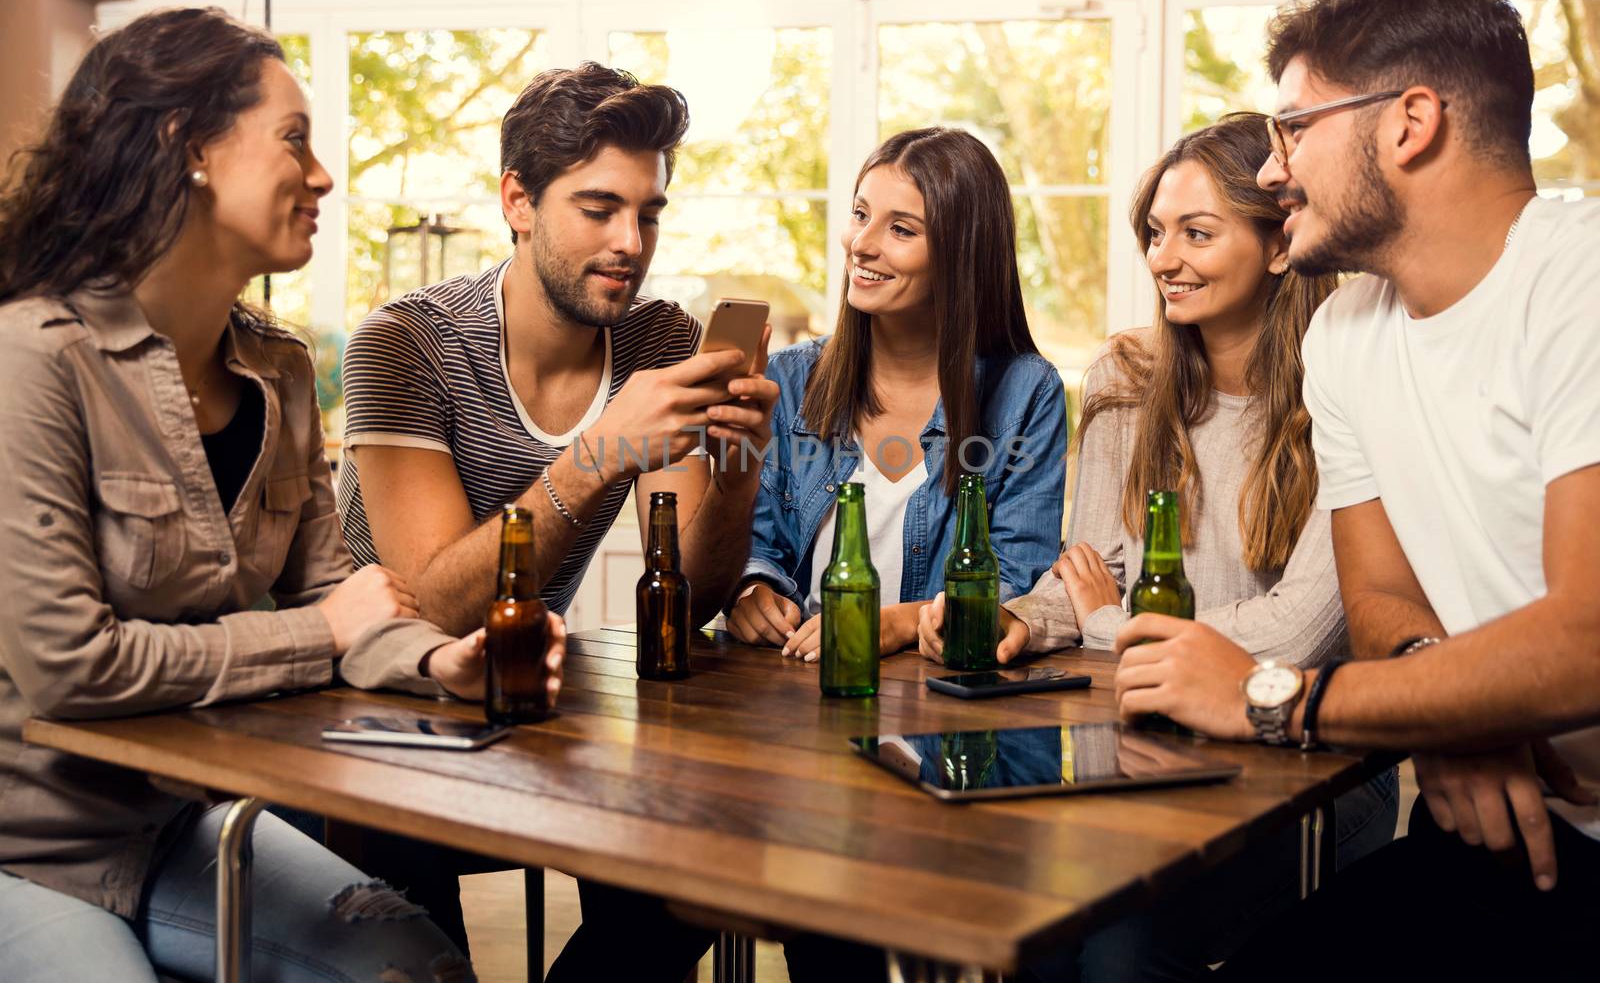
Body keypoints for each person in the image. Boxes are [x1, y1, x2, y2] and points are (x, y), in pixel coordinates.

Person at [0, 6, 564, 983]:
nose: (323, 175)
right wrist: (327, 633)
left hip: (187, 820)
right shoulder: (30, 359)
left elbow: (332, 595)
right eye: (294, 138)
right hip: (28, 852)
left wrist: (445, 660)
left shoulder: (282, 369)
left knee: (422, 969)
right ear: (190, 149)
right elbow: (70, 668)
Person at [1106, 0, 1600, 983]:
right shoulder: (1344, 333)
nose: (1274, 166)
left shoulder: (1578, 283)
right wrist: (1449, 711)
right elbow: (1379, 593)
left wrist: (1266, 694)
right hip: (1499, 815)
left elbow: (1586, 638)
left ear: (1410, 122)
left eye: (1293, 127)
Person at [919, 113, 1396, 981]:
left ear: (1280, 246)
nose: (1163, 257)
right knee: (1032, 924)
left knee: (1117, 952)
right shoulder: (1126, 379)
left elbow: (1300, 636)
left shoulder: (1347, 391)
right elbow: (1088, 570)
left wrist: (1111, 623)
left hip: (1311, 770)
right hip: (1152, 743)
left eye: (1197, 232)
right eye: (1155, 232)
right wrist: (1018, 617)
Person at [335, 61, 780, 980]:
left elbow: (690, 596)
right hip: (375, 708)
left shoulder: (657, 340)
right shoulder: (404, 343)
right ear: (518, 201)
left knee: (690, 861)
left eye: (649, 213)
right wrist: (598, 453)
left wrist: (737, 471)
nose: (631, 241)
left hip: (533, 703)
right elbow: (431, 606)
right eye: (599, 207)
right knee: (417, 942)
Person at [729, 127, 1066, 661]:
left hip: (942, 702)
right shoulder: (790, 378)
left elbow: (1017, 579)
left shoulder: (1027, 391)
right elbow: (758, 539)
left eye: (902, 230)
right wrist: (752, 591)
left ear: (962, 255)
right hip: (797, 687)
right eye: (860, 215)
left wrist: (899, 624)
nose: (861, 245)